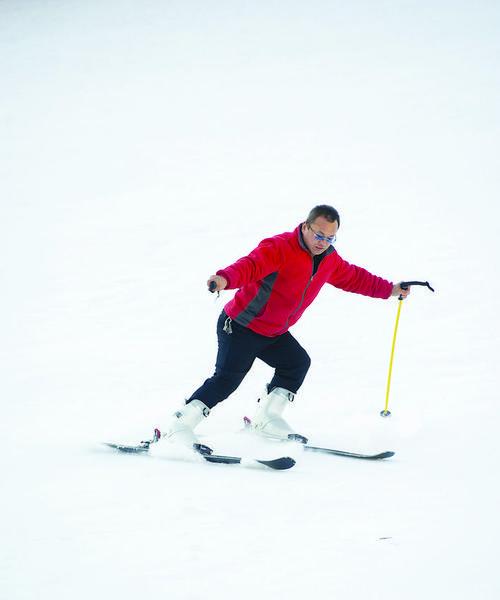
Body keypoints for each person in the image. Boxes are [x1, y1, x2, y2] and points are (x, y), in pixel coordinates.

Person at [161, 205, 410, 447]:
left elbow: (355, 278)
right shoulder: (279, 247)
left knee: (296, 363)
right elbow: (250, 266)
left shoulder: (329, 260)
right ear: (305, 227)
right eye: (319, 234)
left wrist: (390, 289)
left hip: (273, 331)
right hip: (240, 326)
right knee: (227, 380)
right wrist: (224, 279)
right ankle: (179, 427)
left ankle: (267, 418)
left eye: (330, 237)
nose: (323, 242)